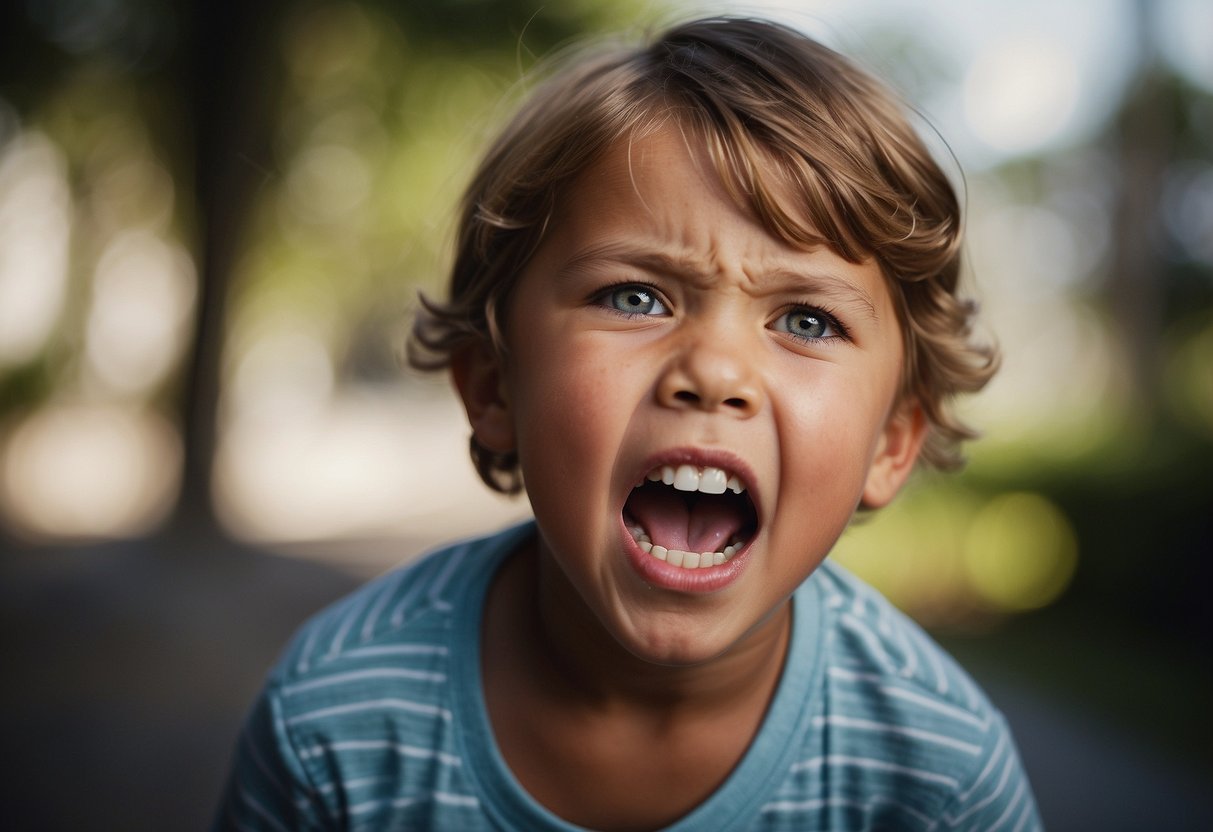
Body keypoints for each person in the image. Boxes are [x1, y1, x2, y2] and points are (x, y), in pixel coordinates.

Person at [213, 16, 1042, 831]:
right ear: (495, 387)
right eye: (634, 297)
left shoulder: (938, 782)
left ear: (891, 441)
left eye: (806, 321)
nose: (713, 373)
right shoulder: (333, 721)